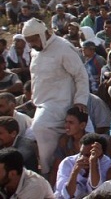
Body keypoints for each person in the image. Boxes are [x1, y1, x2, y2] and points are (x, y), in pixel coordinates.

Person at [22, 18, 90, 176]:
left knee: (40, 127)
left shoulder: (63, 47)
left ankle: (48, 172)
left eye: (33, 40)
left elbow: (80, 75)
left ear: (43, 34)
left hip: (62, 104)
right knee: (27, 137)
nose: (31, 44)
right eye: (29, 41)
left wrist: (80, 100)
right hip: (42, 104)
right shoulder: (35, 51)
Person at [54, 133, 111, 199]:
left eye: (87, 155)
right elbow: (67, 195)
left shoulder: (106, 162)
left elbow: (97, 190)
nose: (82, 157)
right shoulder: (68, 162)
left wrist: (93, 162)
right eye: (81, 154)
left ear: (100, 156)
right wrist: (75, 171)